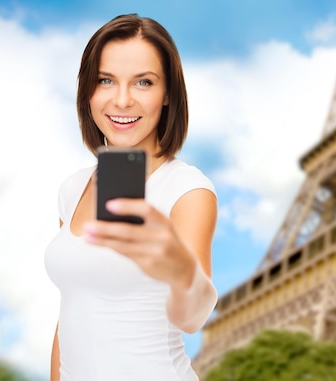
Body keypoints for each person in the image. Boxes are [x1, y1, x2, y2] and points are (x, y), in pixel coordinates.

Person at [44, 14, 218, 381]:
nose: (122, 100)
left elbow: (193, 318)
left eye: (143, 82)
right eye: (105, 80)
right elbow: (71, 315)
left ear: (167, 93)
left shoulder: (187, 190)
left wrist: (180, 268)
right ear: (87, 91)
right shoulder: (71, 189)